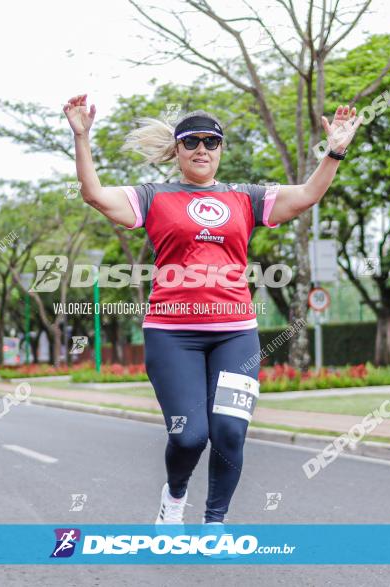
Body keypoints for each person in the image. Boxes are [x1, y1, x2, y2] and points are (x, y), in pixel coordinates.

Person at [63, 95, 361, 531]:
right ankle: (174, 496)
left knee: (229, 433)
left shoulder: (245, 197)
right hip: (172, 333)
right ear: (178, 151)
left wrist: (334, 150)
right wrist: (82, 137)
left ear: (221, 149)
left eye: (211, 141)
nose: (202, 149)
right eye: (192, 142)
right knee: (189, 435)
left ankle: (215, 521)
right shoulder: (153, 197)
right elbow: (93, 194)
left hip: (234, 333)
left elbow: (306, 196)